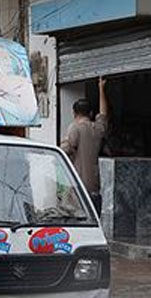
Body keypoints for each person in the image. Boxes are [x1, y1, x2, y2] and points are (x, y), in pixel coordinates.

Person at [60, 77, 108, 212]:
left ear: (74, 113)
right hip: (94, 187)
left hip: (77, 188)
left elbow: (64, 150)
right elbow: (104, 114)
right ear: (91, 113)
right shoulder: (97, 128)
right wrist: (101, 89)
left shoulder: (74, 128)